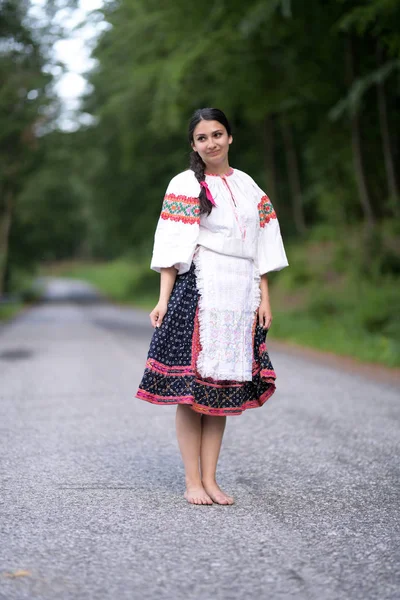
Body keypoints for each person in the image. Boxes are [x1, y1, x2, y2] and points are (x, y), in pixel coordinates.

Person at [136, 108, 288, 506]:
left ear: (230, 138)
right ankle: (192, 482)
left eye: (217, 134)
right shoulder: (185, 184)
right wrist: (163, 299)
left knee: (221, 388)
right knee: (191, 391)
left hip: (240, 296)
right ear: (194, 145)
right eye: (202, 138)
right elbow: (172, 246)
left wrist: (264, 298)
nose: (211, 143)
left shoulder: (250, 186)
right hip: (199, 291)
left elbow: (263, 246)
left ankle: (211, 480)